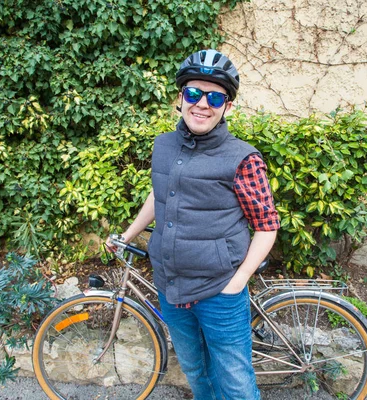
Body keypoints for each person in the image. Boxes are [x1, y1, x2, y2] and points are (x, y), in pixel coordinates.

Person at [107, 49, 280, 400]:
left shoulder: (243, 158)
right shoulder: (164, 145)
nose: (203, 103)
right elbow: (160, 196)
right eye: (193, 93)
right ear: (180, 98)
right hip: (171, 286)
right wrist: (127, 235)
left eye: (215, 96)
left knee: (235, 384)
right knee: (196, 371)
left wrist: (238, 282)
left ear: (227, 107)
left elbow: (266, 225)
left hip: (220, 291)